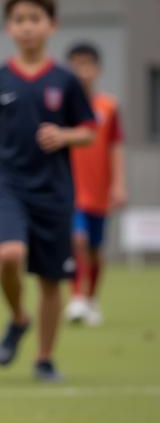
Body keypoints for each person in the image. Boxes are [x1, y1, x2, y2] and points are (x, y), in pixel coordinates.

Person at [0, 0, 95, 382]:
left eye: (34, 19)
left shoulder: (66, 80)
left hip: (55, 191)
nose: (27, 27)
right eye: (20, 20)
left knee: (51, 280)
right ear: (10, 27)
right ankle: (18, 318)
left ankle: (44, 358)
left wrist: (65, 136)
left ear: (51, 26)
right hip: (8, 184)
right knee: (9, 255)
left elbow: (89, 131)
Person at [64, 42, 126, 326]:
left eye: (87, 65)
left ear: (98, 69)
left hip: (99, 187)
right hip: (70, 188)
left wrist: (119, 185)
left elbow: (115, 147)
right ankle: (76, 296)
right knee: (77, 239)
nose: (82, 71)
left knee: (95, 249)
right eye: (76, 65)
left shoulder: (108, 107)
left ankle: (91, 298)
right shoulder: (61, 107)